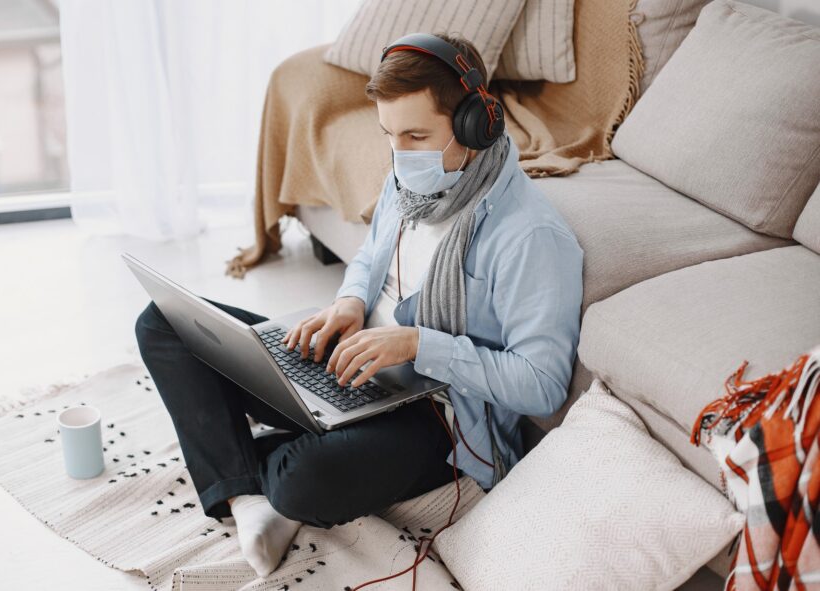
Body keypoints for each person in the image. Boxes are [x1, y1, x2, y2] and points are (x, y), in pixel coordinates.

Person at [134, 32, 584, 578]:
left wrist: (417, 344)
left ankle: (242, 464)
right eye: (390, 134)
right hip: (353, 359)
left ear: (476, 123)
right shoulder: (407, 181)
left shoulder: (530, 237)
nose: (401, 153)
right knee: (164, 323)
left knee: (305, 482)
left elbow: (542, 384)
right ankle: (248, 497)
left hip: (438, 414)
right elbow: (371, 259)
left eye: (417, 135)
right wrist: (350, 302)